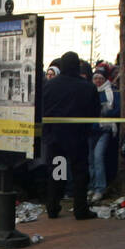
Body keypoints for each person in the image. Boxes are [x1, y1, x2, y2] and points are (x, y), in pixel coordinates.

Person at [41, 50, 100, 220]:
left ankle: (53, 206)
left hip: (55, 137)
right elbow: (94, 112)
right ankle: (80, 208)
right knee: (80, 172)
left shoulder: (50, 86)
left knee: (57, 172)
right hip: (78, 136)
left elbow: (43, 108)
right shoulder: (87, 87)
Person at [89, 67, 117, 202]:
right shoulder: (89, 91)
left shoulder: (111, 92)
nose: (98, 81)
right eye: (95, 78)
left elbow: (117, 110)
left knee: (98, 158)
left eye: (101, 78)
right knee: (90, 161)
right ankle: (92, 185)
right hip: (90, 130)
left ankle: (100, 188)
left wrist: (105, 111)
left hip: (104, 130)